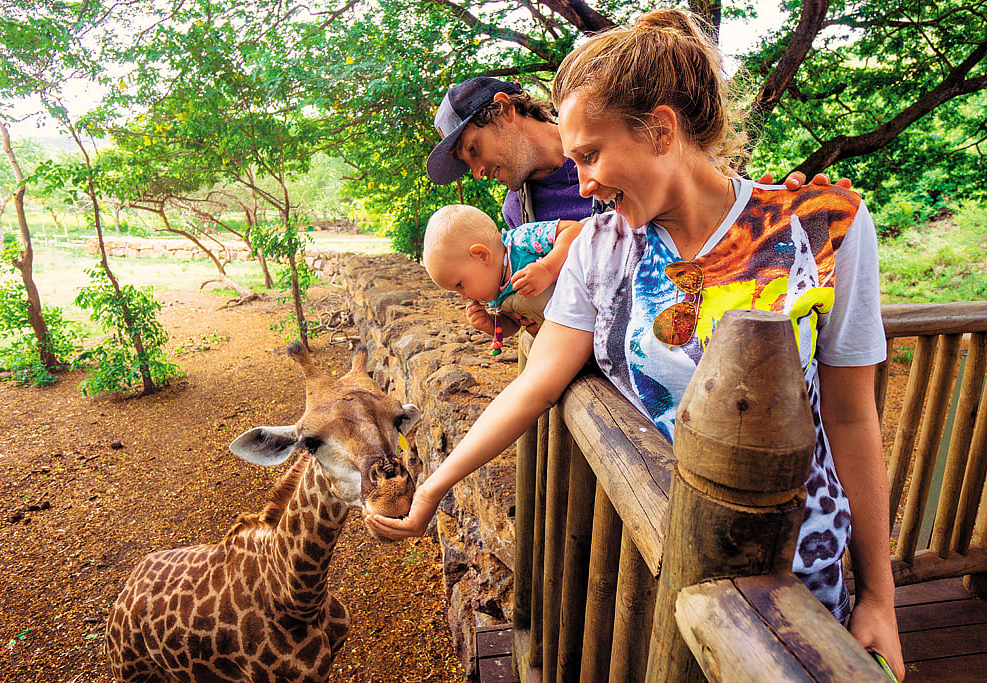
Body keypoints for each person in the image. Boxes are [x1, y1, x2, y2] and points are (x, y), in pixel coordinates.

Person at [377, 9, 904, 679]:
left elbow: (854, 418)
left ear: (660, 129)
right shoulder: (601, 249)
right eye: (574, 161)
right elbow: (535, 384)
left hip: (799, 574)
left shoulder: (826, 228)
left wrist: (880, 596)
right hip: (658, 561)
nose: (586, 182)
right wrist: (435, 487)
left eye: (591, 155)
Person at [424, 77, 850, 228]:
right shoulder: (520, 215)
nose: (477, 171)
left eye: (473, 150)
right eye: (467, 165)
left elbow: (712, 208)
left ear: (503, 109)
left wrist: (778, 213)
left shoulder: (627, 144)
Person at [423, 204, 583, 339]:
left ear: (482, 256)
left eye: (460, 285)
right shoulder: (497, 293)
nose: (464, 297)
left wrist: (547, 268)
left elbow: (575, 230)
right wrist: (491, 323)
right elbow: (513, 324)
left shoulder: (522, 240)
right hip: (571, 331)